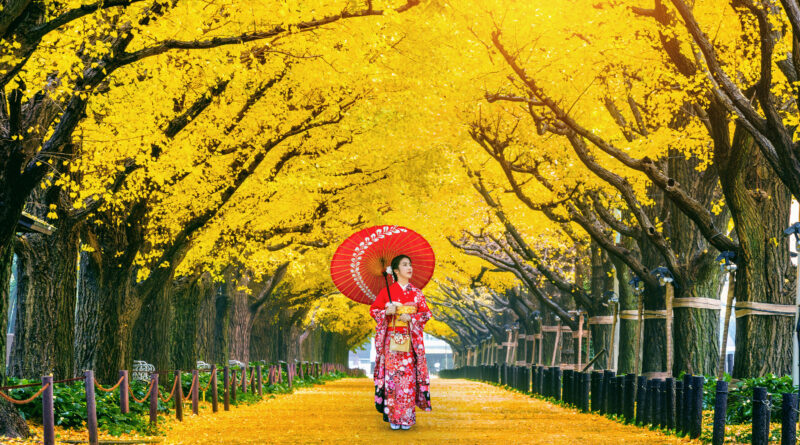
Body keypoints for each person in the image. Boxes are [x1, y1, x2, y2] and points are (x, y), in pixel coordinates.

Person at [369, 254, 432, 430]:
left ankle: (407, 417)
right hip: (392, 341)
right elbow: (374, 310)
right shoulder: (385, 292)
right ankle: (394, 417)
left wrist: (410, 317)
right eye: (405, 265)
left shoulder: (417, 293)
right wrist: (386, 312)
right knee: (392, 380)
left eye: (410, 264)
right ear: (396, 271)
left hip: (410, 341)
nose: (409, 268)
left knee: (408, 380)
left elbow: (426, 314)